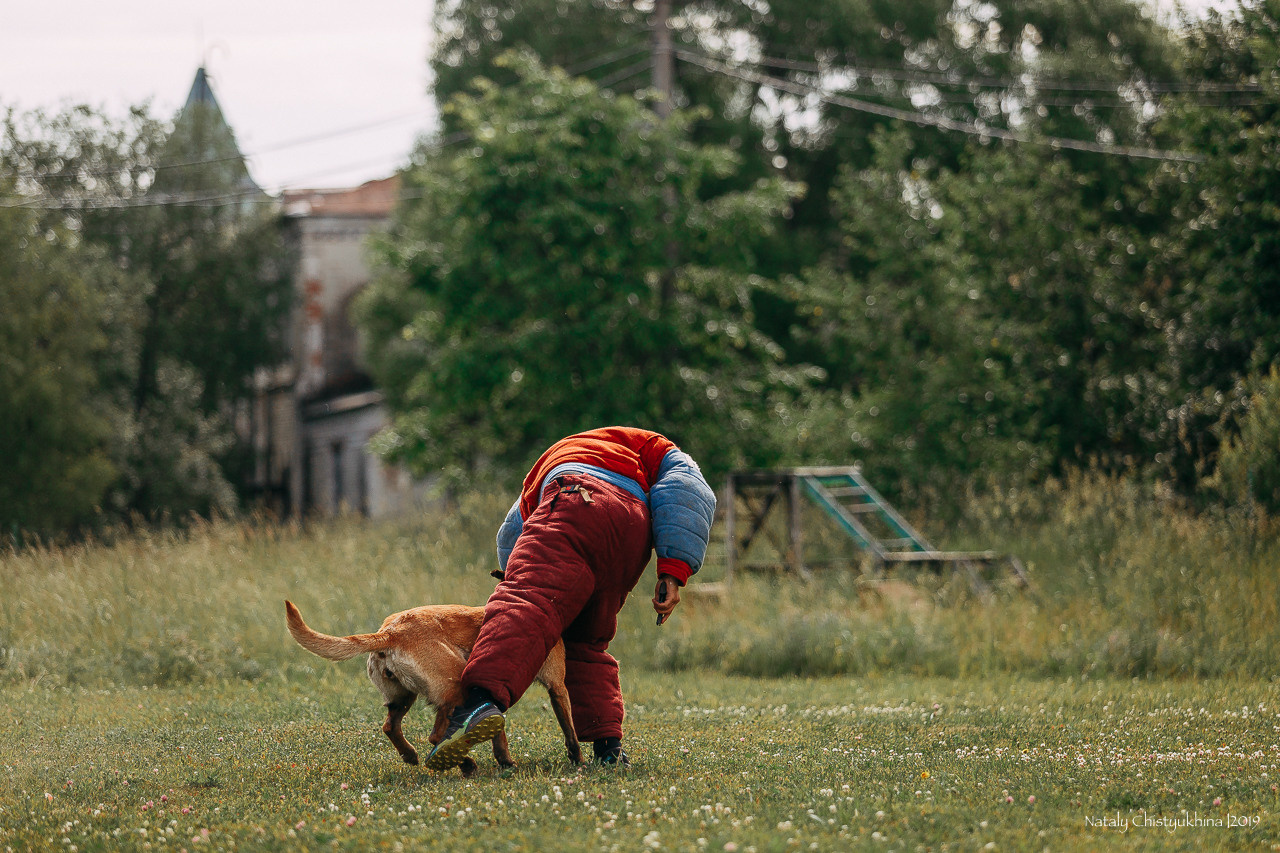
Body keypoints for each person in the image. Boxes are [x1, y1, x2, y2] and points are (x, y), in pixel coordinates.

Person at [424, 426, 716, 770]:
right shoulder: (653, 448)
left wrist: (518, 578)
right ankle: (608, 749)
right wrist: (674, 568)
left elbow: (512, 531)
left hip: (578, 499)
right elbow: (689, 489)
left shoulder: (556, 459)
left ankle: (478, 703)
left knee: (528, 604)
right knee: (585, 640)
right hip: (631, 533)